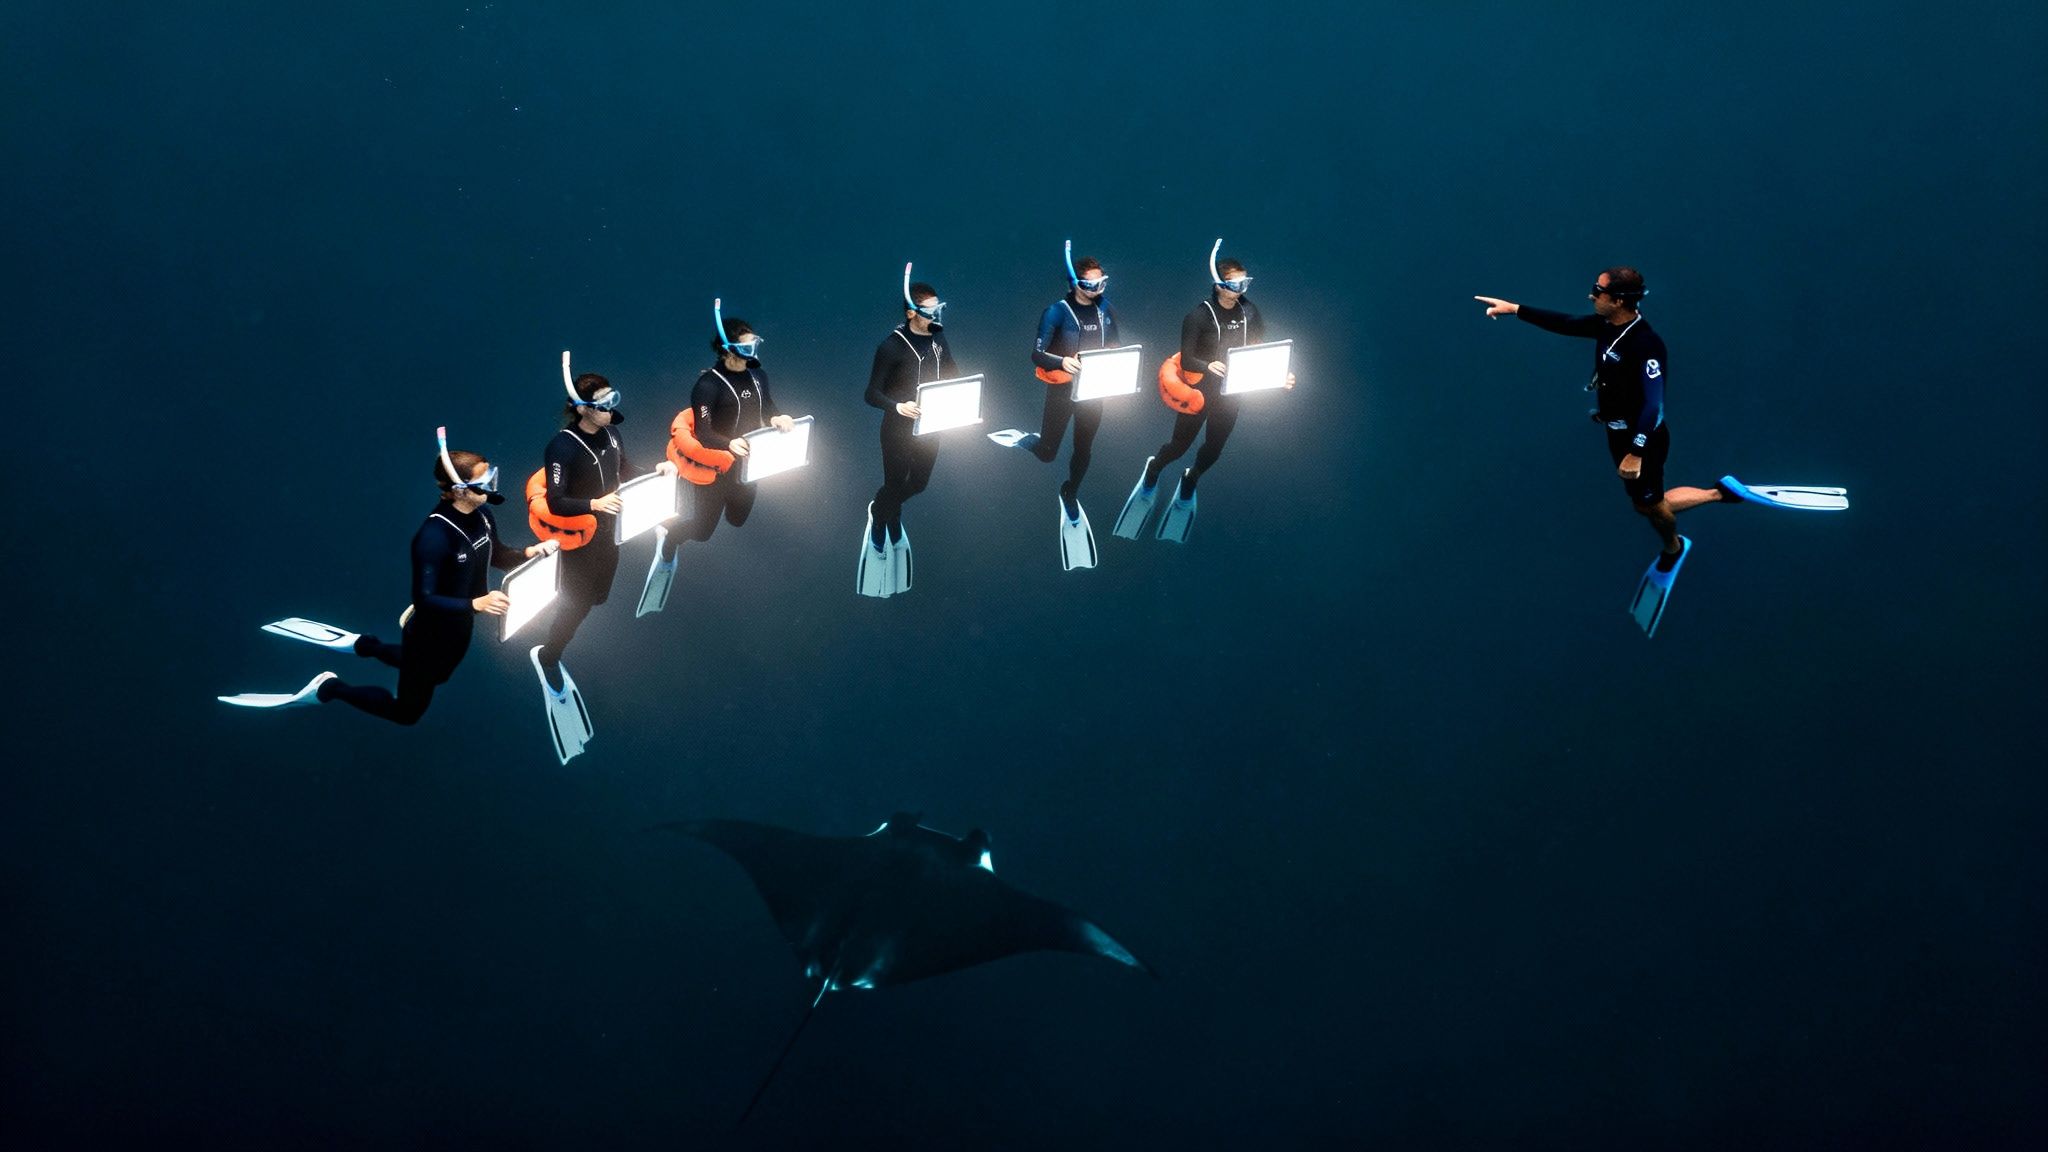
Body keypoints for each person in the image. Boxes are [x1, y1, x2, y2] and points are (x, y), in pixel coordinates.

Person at [1475, 268, 1849, 635]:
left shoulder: (1645, 344)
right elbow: (1568, 323)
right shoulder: (1607, 327)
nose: (1591, 295)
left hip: (1644, 439)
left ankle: (1679, 541)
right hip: (1618, 435)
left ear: (1618, 299)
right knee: (1644, 504)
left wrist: (1636, 452)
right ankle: (1722, 494)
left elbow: (1655, 406)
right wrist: (1515, 309)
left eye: (1598, 290)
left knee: (1651, 507)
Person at [218, 434, 556, 719]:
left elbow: (494, 552)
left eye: (491, 477)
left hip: (461, 625)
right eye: (484, 482)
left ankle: (364, 645)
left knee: (439, 673)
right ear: (459, 490)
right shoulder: (433, 536)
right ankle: (328, 688)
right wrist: (476, 601)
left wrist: (528, 553)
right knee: (407, 713)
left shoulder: (483, 516)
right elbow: (424, 599)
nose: (491, 487)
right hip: (429, 632)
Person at [527, 367, 674, 759]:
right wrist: (593, 504)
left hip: (608, 531)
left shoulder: (611, 432)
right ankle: (547, 656)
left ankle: (565, 609)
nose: (612, 408)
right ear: (581, 409)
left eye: (614, 400)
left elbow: (623, 469)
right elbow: (557, 500)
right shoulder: (562, 447)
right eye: (604, 404)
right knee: (576, 605)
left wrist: (653, 470)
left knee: (599, 598)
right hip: (578, 537)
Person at [1113, 243, 1291, 543]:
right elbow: (1187, 358)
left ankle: (1191, 478)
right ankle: (1153, 471)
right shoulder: (1198, 316)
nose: (1241, 289)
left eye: (1245, 283)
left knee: (1214, 448)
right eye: (1236, 284)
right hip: (1198, 394)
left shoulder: (1250, 311)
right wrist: (1209, 366)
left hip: (1231, 395)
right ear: (1219, 285)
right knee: (1179, 445)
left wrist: (1280, 376)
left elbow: (1261, 350)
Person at [638, 308, 796, 615]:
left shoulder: (758, 374)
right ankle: (667, 537)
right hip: (715, 469)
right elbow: (705, 431)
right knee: (702, 531)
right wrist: (729, 443)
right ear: (728, 350)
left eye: (755, 345)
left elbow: (769, 405)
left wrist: (779, 416)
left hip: (750, 465)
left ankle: (683, 528)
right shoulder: (707, 386)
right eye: (746, 347)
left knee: (737, 519)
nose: (753, 353)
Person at [990, 245, 1120, 569]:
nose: (1097, 290)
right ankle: (1025, 439)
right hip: (1062, 389)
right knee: (1048, 453)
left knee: (1084, 448)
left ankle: (1070, 493)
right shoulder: (1056, 313)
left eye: (1101, 283)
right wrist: (1062, 361)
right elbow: (1036, 354)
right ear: (1074, 283)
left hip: (1095, 390)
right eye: (1090, 285)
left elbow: (1116, 347)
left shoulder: (1107, 311)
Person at [859, 272, 958, 597]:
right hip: (898, 429)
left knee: (919, 483)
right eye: (930, 310)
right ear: (911, 312)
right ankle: (881, 520)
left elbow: (953, 372)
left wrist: (961, 397)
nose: (936, 316)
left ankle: (882, 509)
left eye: (938, 308)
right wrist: (897, 406)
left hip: (931, 426)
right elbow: (871, 394)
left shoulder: (939, 338)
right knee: (893, 482)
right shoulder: (890, 347)